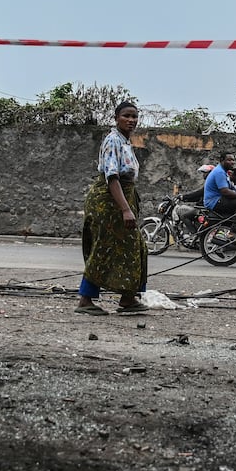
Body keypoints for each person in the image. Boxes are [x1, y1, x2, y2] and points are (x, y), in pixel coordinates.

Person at [77, 101, 148, 315]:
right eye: (126, 116)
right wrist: (125, 209)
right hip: (108, 202)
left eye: (134, 116)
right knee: (103, 247)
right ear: (116, 118)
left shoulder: (125, 143)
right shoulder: (112, 140)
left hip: (121, 199)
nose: (131, 120)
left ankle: (128, 298)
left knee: (134, 248)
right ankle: (85, 300)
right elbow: (112, 177)